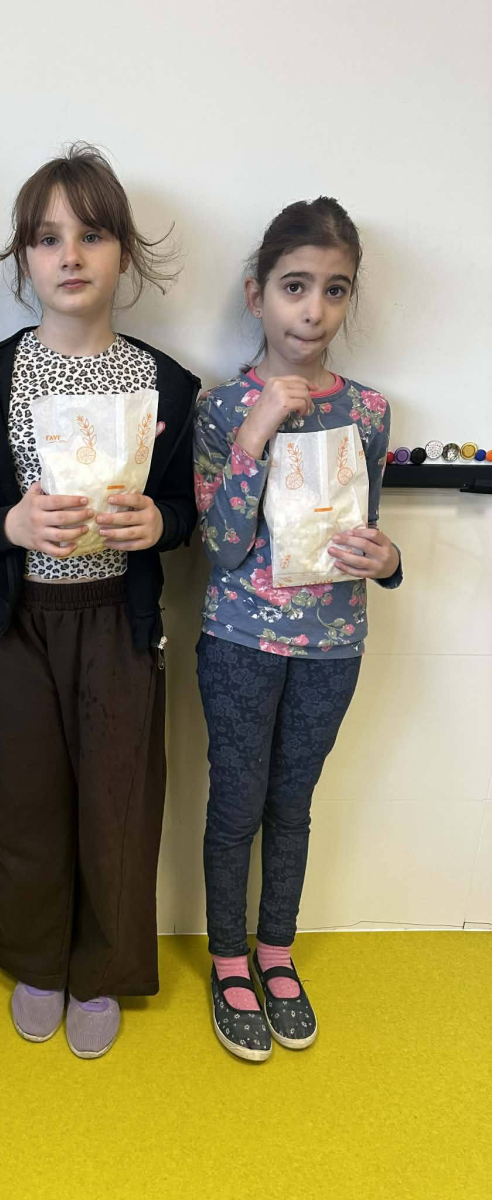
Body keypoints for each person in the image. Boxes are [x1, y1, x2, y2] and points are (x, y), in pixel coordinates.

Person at [0, 144, 199, 1059]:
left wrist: (156, 524)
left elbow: (187, 511)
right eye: (48, 239)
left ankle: (103, 969)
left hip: (121, 624)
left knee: (118, 803)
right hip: (14, 628)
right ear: (24, 258)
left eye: (92, 235)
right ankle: (36, 960)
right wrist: (7, 525)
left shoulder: (167, 387)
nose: (71, 256)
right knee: (24, 802)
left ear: (125, 251)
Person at [193, 197, 402, 1061]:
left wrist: (388, 558)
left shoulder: (371, 411)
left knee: (292, 805)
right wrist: (257, 429)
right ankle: (227, 960)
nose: (313, 310)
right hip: (240, 642)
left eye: (334, 289)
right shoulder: (221, 406)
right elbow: (219, 545)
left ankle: (277, 952)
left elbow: (368, 530)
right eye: (294, 286)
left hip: (331, 646)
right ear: (257, 295)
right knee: (236, 805)